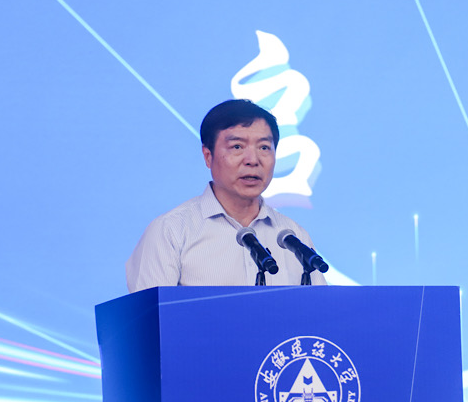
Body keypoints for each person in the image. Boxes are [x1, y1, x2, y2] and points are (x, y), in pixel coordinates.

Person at [126, 99, 327, 292]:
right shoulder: (170, 232)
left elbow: (322, 311)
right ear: (208, 156)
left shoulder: (294, 237)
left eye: (264, 147)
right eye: (237, 147)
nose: (252, 160)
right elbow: (152, 314)